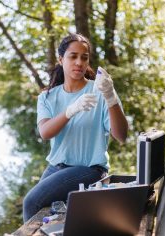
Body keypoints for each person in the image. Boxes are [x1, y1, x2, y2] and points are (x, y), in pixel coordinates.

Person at [22, 33, 128, 222]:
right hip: (56, 168)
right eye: (73, 56)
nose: (79, 62)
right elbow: (45, 132)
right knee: (42, 215)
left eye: (84, 57)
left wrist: (111, 98)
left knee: (31, 201)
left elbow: (121, 135)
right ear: (61, 59)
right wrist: (70, 111)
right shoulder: (47, 97)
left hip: (89, 169)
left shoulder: (101, 89)